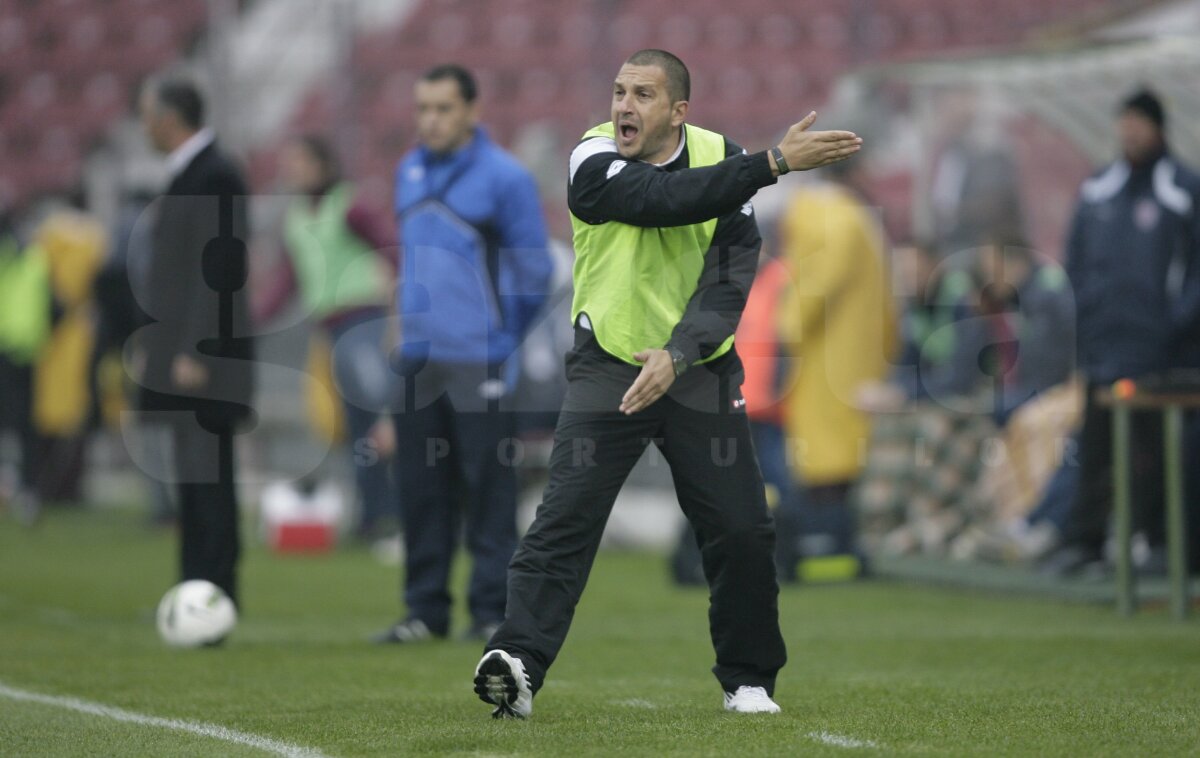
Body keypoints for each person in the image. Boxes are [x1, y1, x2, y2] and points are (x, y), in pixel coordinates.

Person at [473, 49, 862, 719]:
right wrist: (771, 165)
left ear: (678, 111)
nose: (624, 105)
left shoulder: (719, 153)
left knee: (741, 529)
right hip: (609, 367)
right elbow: (662, 200)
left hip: (698, 373)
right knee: (564, 518)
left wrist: (679, 355)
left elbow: (732, 275)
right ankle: (518, 662)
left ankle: (748, 680)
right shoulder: (590, 160)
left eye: (643, 94)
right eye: (620, 90)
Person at [374, 64, 552, 644]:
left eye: (443, 109)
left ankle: (488, 611)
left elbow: (536, 269)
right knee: (420, 491)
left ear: (472, 112)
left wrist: (501, 339)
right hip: (419, 361)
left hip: (481, 360)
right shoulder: (409, 168)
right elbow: (408, 261)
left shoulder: (505, 178)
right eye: (423, 108)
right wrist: (399, 330)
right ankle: (424, 612)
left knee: (487, 490)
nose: (430, 120)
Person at [1042, 89, 1200, 576]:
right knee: (1095, 447)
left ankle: (1155, 541)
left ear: (1158, 127)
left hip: (1160, 352)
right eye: (1124, 121)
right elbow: (1076, 261)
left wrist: (1177, 323)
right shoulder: (1097, 190)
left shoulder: (1182, 189)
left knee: (1154, 452)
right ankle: (1087, 540)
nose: (1130, 131)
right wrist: (1086, 315)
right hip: (1104, 346)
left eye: (1139, 122)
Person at [135, 76, 254, 606]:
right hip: (181, 351)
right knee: (193, 474)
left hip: (203, 357)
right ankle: (195, 583)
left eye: (146, 114)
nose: (143, 126)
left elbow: (218, 270)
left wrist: (196, 348)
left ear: (167, 117)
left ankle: (215, 588)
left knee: (209, 476)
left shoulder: (215, 175)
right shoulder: (191, 173)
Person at [261, 135, 400, 540]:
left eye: (299, 161)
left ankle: (395, 513)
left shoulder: (350, 205)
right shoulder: (296, 217)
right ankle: (372, 517)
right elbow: (287, 279)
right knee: (355, 428)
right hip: (332, 331)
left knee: (379, 415)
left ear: (323, 164)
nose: (291, 170)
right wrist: (251, 318)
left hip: (364, 323)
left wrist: (407, 288)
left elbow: (392, 247)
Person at [772, 160, 898, 578]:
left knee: (825, 457)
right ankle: (836, 548)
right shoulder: (854, 216)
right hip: (849, 356)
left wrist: (787, 324)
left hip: (828, 358)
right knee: (836, 454)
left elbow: (817, 283)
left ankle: (827, 550)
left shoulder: (828, 216)